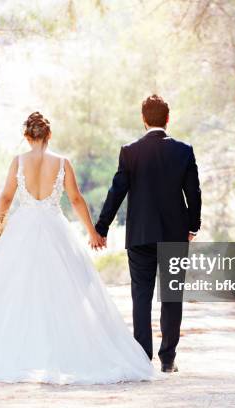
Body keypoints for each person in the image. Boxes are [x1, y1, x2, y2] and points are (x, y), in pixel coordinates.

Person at [0, 112, 155, 384]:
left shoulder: (18, 162)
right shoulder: (62, 163)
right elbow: (75, 199)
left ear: (27, 136)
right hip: (55, 228)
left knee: (12, 289)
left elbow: (4, 199)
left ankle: (18, 349)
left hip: (22, 228)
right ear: (48, 136)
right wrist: (92, 233)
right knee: (65, 289)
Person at [95, 95, 202, 373]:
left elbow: (116, 191)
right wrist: (193, 226)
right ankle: (168, 359)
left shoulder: (130, 152)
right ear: (168, 119)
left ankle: (143, 358)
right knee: (171, 295)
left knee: (140, 296)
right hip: (175, 235)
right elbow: (194, 193)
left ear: (143, 120)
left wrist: (102, 227)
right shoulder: (184, 151)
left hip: (140, 235)